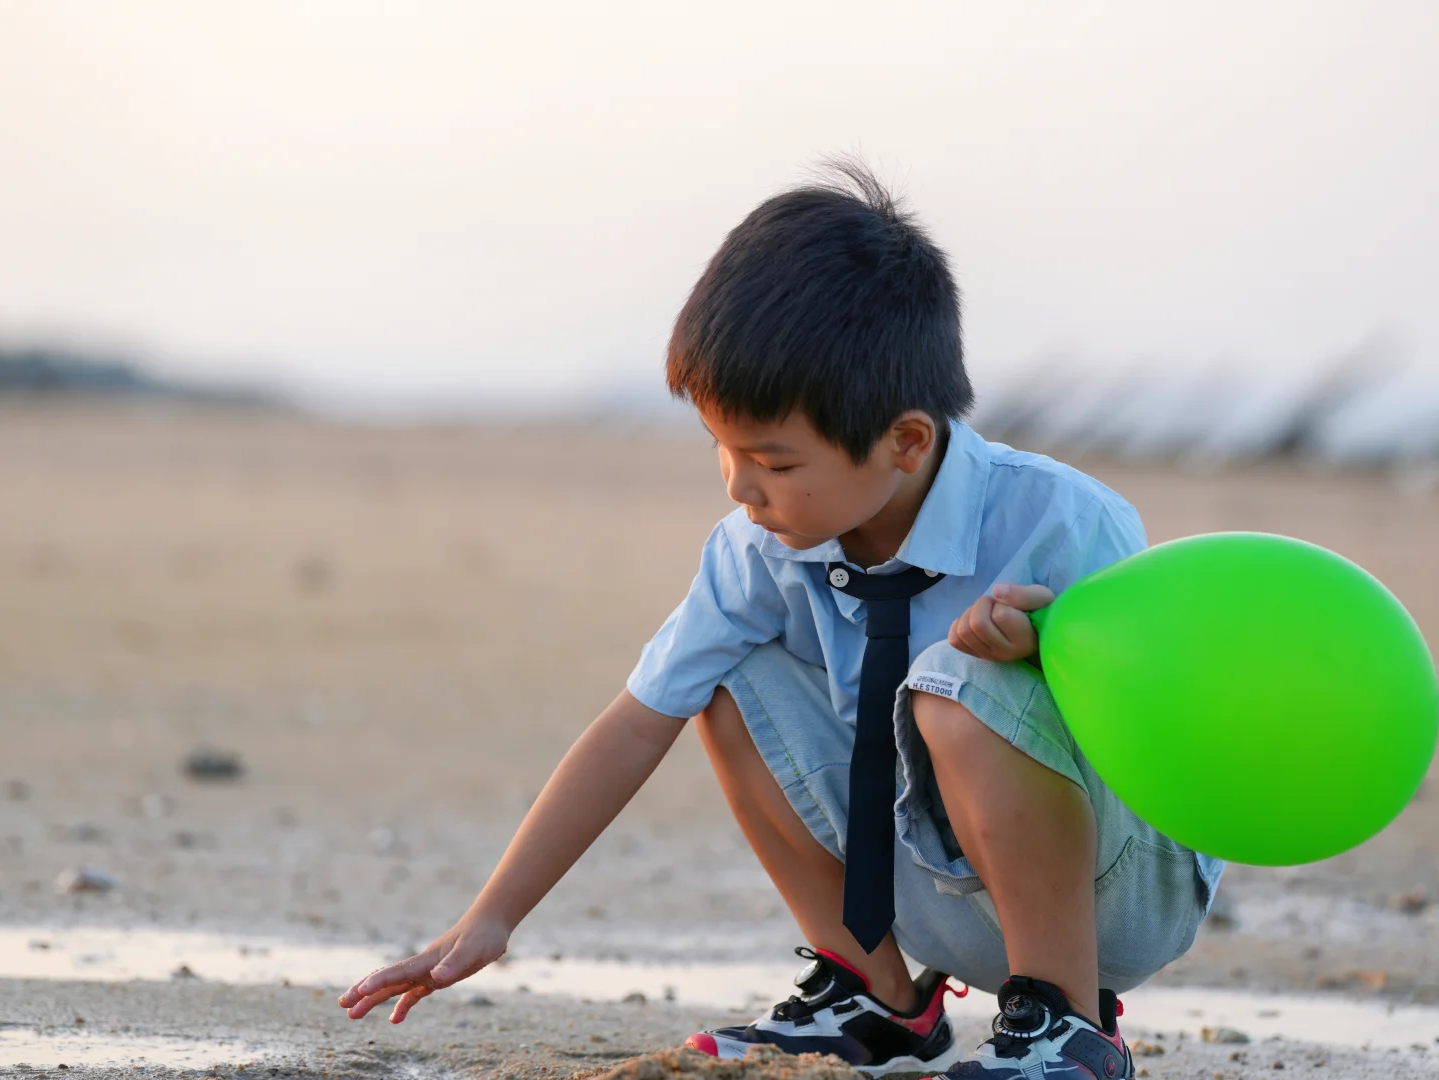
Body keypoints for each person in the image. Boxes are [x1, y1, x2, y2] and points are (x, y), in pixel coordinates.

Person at [338, 161, 1224, 1080]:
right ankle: (875, 998)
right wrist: (492, 916)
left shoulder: (1062, 522)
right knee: (719, 673)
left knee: (955, 680)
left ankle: (1065, 1026)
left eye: (775, 461)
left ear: (906, 441)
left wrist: (1049, 654)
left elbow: (1177, 727)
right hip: (923, 882)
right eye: (722, 449)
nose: (740, 486)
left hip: (1110, 895)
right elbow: (638, 722)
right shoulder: (757, 551)